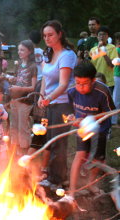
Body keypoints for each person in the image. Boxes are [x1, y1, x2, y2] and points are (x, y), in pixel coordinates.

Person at [38, 20, 77, 188]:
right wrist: (41, 95)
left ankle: (58, 179)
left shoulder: (67, 55)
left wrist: (49, 98)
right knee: (51, 139)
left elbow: (63, 84)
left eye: (50, 34)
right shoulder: (48, 53)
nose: (47, 38)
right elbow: (45, 78)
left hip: (64, 104)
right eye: (45, 35)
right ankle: (57, 176)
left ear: (59, 34)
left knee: (58, 141)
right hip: (51, 103)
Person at [68, 61, 115, 197]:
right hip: (83, 130)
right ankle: (71, 190)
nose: (80, 87)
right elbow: (70, 110)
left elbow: (110, 112)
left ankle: (91, 183)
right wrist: (72, 117)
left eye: (84, 83)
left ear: (93, 80)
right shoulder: (72, 91)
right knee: (80, 155)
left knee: (97, 158)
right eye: (78, 83)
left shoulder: (102, 91)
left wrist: (90, 119)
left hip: (99, 130)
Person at [9, 40, 37, 156]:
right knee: (13, 125)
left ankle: (23, 151)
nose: (19, 52)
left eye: (22, 50)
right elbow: (18, 79)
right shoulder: (19, 64)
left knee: (22, 127)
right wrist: (12, 80)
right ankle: (14, 150)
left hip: (25, 101)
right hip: (14, 99)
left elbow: (33, 87)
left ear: (29, 51)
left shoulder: (33, 66)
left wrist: (19, 89)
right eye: (18, 50)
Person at [89, 26, 118, 91]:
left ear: (108, 36)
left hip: (108, 82)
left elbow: (111, 65)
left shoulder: (112, 47)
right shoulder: (93, 50)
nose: (102, 36)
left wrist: (103, 53)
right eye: (100, 34)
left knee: (108, 100)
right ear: (97, 36)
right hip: (95, 81)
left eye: (104, 34)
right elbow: (91, 66)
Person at [111, 32, 120, 125]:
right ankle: (113, 120)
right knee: (116, 99)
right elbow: (114, 62)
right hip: (117, 75)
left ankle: (115, 119)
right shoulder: (117, 49)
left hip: (117, 75)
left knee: (116, 99)